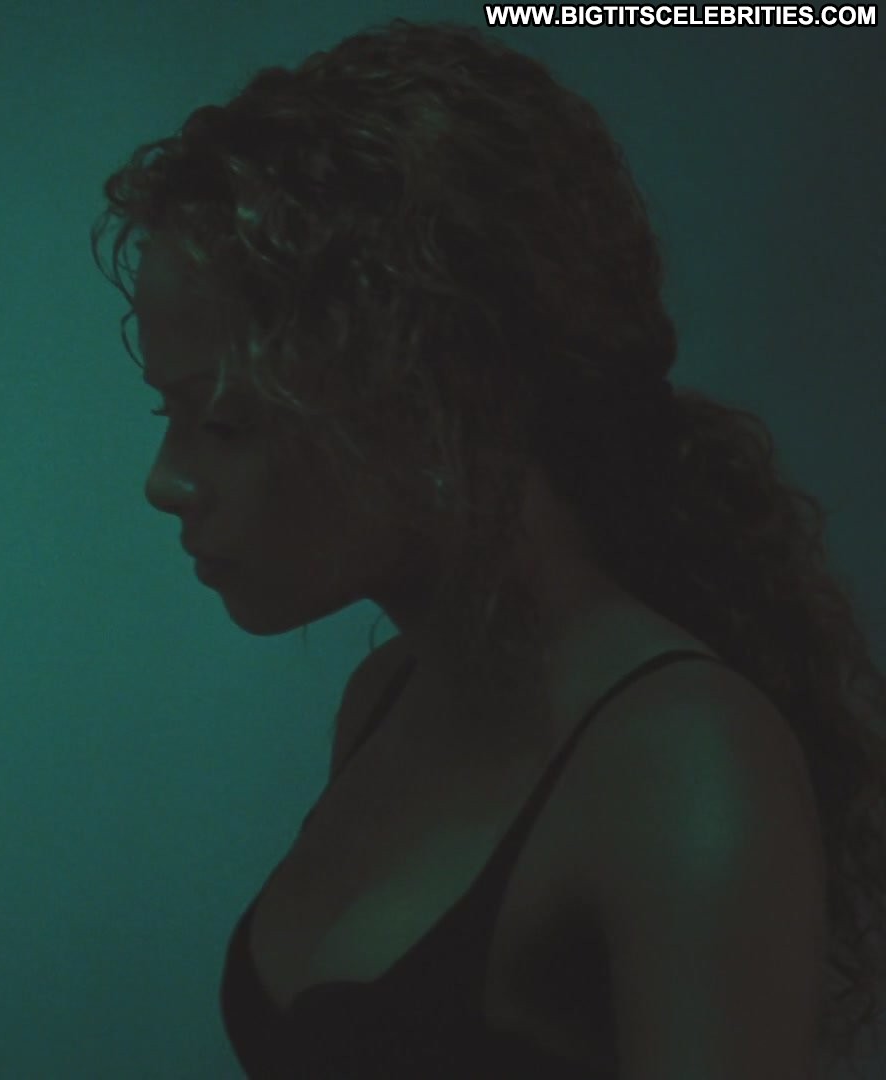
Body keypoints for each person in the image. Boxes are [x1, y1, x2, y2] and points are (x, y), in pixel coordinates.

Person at [92, 19, 886, 1079]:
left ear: (440, 399)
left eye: (227, 421)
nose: (165, 482)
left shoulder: (683, 763)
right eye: (170, 412)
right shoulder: (385, 700)